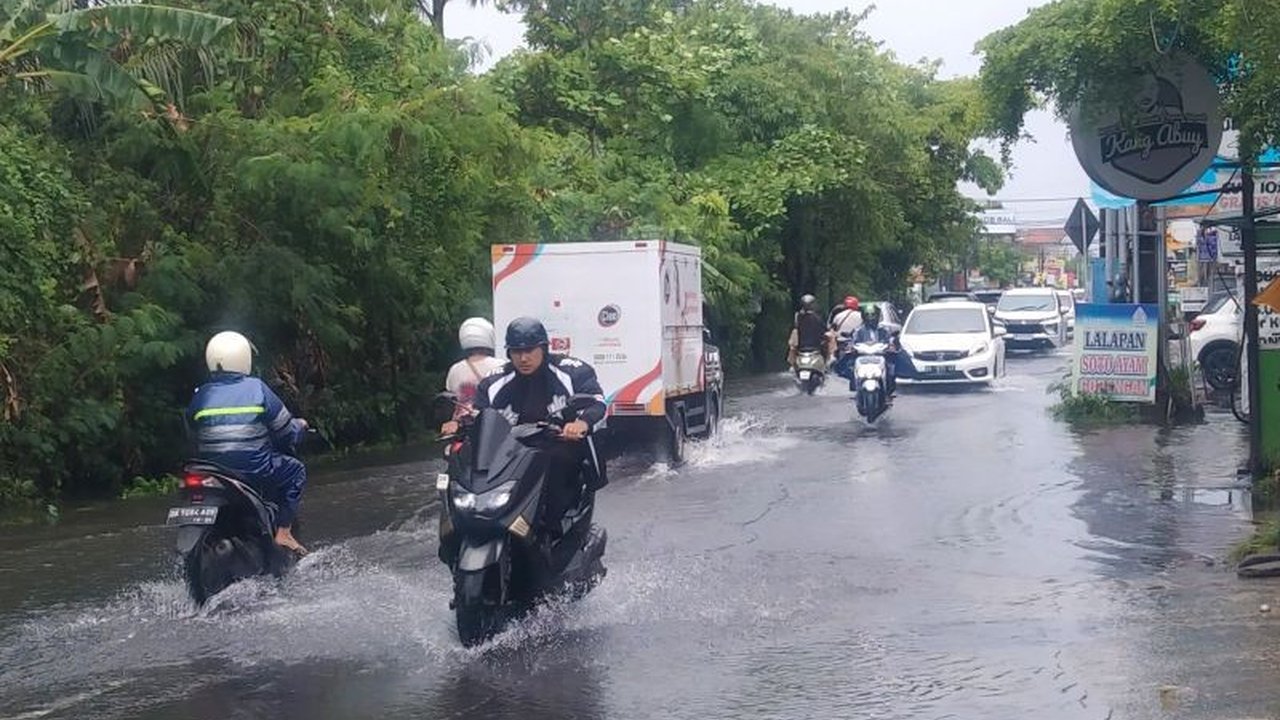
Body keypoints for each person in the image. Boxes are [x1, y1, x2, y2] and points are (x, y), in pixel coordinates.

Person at [474, 317, 608, 533]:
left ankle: (554, 532)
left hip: (558, 449)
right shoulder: (494, 381)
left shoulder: (571, 371)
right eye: (517, 351)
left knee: (556, 467)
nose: (523, 358)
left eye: (529, 350)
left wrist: (581, 423)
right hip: (508, 457)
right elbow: (477, 413)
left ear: (544, 348)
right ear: (509, 353)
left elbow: (597, 402)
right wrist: (457, 423)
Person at [188, 331, 309, 554]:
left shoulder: (201, 394)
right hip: (254, 469)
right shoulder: (257, 388)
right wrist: (300, 427)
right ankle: (284, 533)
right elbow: (285, 431)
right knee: (297, 471)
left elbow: (192, 432)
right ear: (244, 358)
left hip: (212, 472)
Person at [439, 317, 505, 436]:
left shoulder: (455, 369)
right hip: (492, 427)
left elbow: (450, 398)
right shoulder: (501, 365)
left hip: (462, 429)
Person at [847, 305, 898, 396]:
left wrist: (891, 346)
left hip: (880, 355)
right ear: (863, 316)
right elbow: (853, 342)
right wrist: (850, 348)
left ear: (877, 316)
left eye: (873, 315)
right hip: (863, 357)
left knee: (892, 368)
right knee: (848, 365)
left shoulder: (884, 330)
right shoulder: (858, 331)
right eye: (868, 315)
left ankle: (888, 388)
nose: (870, 318)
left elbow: (889, 340)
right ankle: (855, 384)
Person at [788, 294, 833, 368]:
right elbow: (824, 330)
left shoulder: (798, 317)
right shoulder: (816, 318)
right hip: (815, 346)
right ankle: (828, 360)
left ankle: (792, 364)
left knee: (793, 343)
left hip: (800, 346)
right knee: (830, 337)